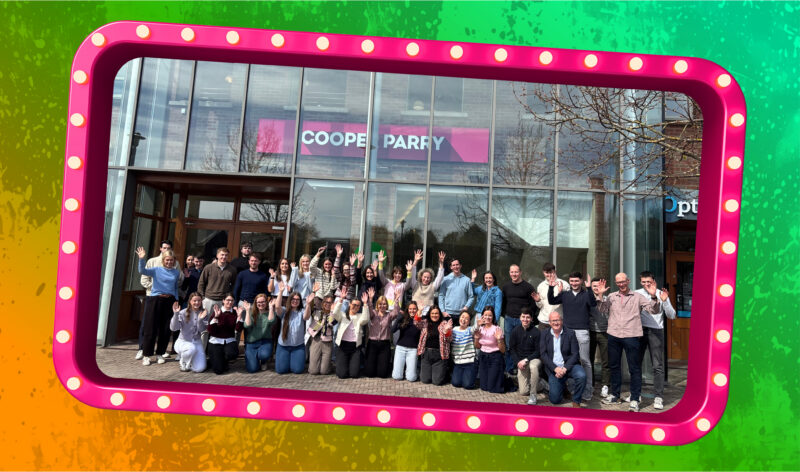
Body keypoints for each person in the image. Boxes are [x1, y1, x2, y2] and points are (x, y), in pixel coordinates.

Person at [595, 273, 661, 412]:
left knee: (634, 369)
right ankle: (615, 395)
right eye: (618, 282)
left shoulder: (638, 297)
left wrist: (654, 296)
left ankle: (635, 399)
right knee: (614, 366)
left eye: (623, 281)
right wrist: (600, 296)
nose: (621, 284)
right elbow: (602, 310)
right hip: (614, 335)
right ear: (615, 283)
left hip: (632, 336)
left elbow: (654, 310)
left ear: (628, 281)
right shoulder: (612, 296)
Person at [547, 271, 596, 402]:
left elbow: (593, 304)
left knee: (585, 361)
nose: (574, 283)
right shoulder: (565, 294)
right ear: (569, 281)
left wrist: (590, 288)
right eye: (572, 281)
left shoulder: (586, 294)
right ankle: (572, 387)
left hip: (582, 332)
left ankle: (588, 389)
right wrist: (551, 288)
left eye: (576, 281)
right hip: (567, 332)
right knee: (569, 360)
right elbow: (552, 300)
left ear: (581, 281)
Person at [135, 240, 182, 361]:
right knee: (150, 327)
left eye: (171, 260)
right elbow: (142, 271)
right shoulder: (156, 269)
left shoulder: (176, 272)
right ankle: (146, 355)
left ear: (174, 261)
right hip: (155, 299)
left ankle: (160, 353)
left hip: (170, 301)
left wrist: (176, 300)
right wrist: (141, 259)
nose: (169, 262)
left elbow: (175, 287)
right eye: (167, 260)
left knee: (166, 328)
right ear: (163, 260)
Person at [635, 271, 676, 410]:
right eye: (643, 281)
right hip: (639, 331)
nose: (646, 284)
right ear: (640, 282)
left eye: (649, 282)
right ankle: (636, 394)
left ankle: (658, 397)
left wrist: (665, 302)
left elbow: (672, 315)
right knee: (636, 364)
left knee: (657, 366)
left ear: (654, 281)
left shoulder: (661, 293)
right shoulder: (636, 293)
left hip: (656, 331)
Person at [540, 312, 587, 408]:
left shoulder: (570, 333)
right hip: (554, 369)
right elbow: (543, 355)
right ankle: (562, 387)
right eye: (553, 321)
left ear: (561, 321)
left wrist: (565, 368)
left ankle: (576, 400)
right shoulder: (544, 334)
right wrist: (555, 368)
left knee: (581, 375)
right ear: (549, 322)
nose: (556, 323)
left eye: (557, 320)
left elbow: (575, 354)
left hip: (569, 366)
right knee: (555, 400)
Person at [500, 264, 536, 372]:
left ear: (520, 272)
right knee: (509, 345)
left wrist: (529, 318)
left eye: (516, 272)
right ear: (509, 273)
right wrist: (505, 314)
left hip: (523, 321)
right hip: (509, 319)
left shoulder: (528, 287)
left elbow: (533, 305)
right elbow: (503, 302)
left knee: (523, 345)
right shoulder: (506, 287)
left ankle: (522, 368)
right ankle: (510, 369)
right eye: (512, 272)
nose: (514, 274)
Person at [331, 291, 371, 379]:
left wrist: (365, 304)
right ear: (349, 304)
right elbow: (335, 314)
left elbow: (366, 319)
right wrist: (341, 299)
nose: (355, 307)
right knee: (341, 375)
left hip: (355, 348)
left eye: (358, 305)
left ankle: (351, 365)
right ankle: (344, 365)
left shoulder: (360, 316)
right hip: (342, 347)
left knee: (354, 374)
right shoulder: (343, 315)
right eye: (354, 304)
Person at [364, 286, 401, 378]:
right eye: (380, 304)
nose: (382, 306)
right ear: (377, 305)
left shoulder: (389, 315)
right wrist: (370, 299)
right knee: (369, 374)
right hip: (372, 343)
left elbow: (396, 312)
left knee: (382, 374)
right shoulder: (373, 313)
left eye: (384, 304)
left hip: (384, 344)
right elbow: (368, 309)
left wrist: (396, 299)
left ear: (387, 305)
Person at [508, 308, 543, 404]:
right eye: (523, 317)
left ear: (532, 319)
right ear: (520, 318)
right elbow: (512, 349)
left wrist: (526, 360)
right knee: (523, 392)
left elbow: (538, 351)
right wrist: (518, 362)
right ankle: (540, 384)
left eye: (528, 317)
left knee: (533, 366)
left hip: (534, 359)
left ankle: (533, 395)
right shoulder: (515, 331)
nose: (525, 319)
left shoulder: (536, 332)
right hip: (521, 361)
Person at [169, 293, 208, 372]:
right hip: (182, 342)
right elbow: (173, 328)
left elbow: (202, 330)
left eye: (199, 300)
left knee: (199, 369)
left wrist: (200, 320)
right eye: (194, 300)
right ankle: (183, 362)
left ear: (201, 301)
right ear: (190, 301)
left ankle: (190, 359)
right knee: (190, 348)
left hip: (197, 342)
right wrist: (176, 314)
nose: (197, 302)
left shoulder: (204, 313)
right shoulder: (183, 312)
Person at [415, 306, 453, 386]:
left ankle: (444, 373)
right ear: (429, 314)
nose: (434, 315)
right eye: (432, 313)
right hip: (426, 353)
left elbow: (449, 339)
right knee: (425, 380)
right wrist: (419, 312)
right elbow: (417, 324)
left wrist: (447, 332)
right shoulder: (425, 322)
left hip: (439, 355)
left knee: (437, 382)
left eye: (436, 313)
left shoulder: (445, 324)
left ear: (439, 314)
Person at [273, 285, 307, 374]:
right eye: (293, 299)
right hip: (283, 346)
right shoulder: (284, 311)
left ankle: (293, 361)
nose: (295, 301)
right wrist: (280, 292)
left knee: (297, 370)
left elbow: (307, 316)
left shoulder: (301, 311)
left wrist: (309, 304)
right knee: (281, 370)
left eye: (297, 299)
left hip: (298, 346)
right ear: (290, 300)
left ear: (300, 301)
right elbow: (277, 307)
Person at [206, 295, 243, 375]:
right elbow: (210, 330)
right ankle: (213, 360)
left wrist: (239, 316)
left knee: (232, 354)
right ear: (223, 300)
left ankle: (222, 361)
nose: (230, 302)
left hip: (229, 341)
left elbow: (238, 329)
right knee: (218, 371)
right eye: (228, 300)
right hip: (215, 342)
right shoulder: (217, 311)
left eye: (232, 300)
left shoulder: (235, 313)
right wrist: (216, 317)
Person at [588, 276, 611, 398]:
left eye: (598, 286)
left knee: (606, 361)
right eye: (594, 286)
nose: (597, 288)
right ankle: (590, 385)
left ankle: (605, 385)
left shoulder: (608, 299)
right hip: (590, 332)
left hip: (604, 333)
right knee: (589, 360)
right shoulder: (588, 299)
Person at [197, 247, 237, 316]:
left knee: (220, 323)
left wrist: (229, 297)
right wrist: (202, 298)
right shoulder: (208, 267)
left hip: (223, 301)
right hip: (208, 299)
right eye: (222, 254)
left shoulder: (232, 270)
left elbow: (234, 285)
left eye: (226, 255)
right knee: (206, 321)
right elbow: (201, 283)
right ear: (217, 255)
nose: (224, 257)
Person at [242, 293, 277, 373]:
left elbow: (271, 321)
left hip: (265, 342)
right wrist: (247, 310)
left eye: (263, 302)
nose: (261, 304)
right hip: (251, 343)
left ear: (266, 302)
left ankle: (263, 361)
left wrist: (271, 308)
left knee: (264, 355)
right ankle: (254, 359)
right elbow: (247, 325)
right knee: (252, 369)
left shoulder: (270, 312)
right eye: (259, 302)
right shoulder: (251, 312)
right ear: (256, 303)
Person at [473, 307, 505, 393]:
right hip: (483, 356)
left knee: (493, 388)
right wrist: (476, 338)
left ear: (493, 317)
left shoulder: (497, 329)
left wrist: (499, 339)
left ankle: (504, 379)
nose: (487, 317)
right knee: (484, 387)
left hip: (495, 357)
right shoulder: (480, 328)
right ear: (482, 316)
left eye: (490, 315)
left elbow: (503, 350)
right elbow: (478, 346)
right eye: (485, 315)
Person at [304, 293, 336, 375]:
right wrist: (308, 303)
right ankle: (317, 364)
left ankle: (329, 365)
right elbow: (307, 316)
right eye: (326, 302)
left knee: (324, 371)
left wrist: (332, 311)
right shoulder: (317, 311)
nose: (327, 304)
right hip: (316, 340)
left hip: (327, 342)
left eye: (330, 302)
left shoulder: (335, 314)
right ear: (323, 302)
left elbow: (331, 323)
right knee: (313, 371)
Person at [391, 301, 422, 382]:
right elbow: (392, 330)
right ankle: (402, 370)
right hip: (400, 348)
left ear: (417, 309)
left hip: (413, 350)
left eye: (414, 309)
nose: (412, 311)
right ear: (407, 309)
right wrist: (398, 319)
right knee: (397, 377)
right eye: (410, 309)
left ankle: (412, 371)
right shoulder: (403, 319)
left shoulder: (420, 320)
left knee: (411, 378)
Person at [535, 262, 567, 332]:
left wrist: (561, 293)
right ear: (543, 272)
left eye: (551, 272)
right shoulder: (541, 286)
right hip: (544, 321)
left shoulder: (564, 284)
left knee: (559, 343)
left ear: (555, 271)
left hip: (558, 321)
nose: (549, 275)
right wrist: (538, 301)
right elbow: (540, 306)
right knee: (542, 343)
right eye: (547, 272)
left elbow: (567, 303)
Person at [450, 311, 477, 389]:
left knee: (467, 385)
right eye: (462, 317)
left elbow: (475, 328)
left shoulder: (470, 330)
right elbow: (448, 338)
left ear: (469, 322)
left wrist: (478, 324)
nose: (464, 320)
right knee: (456, 383)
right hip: (458, 362)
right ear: (459, 318)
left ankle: (470, 375)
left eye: (466, 319)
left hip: (469, 362)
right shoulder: (454, 329)